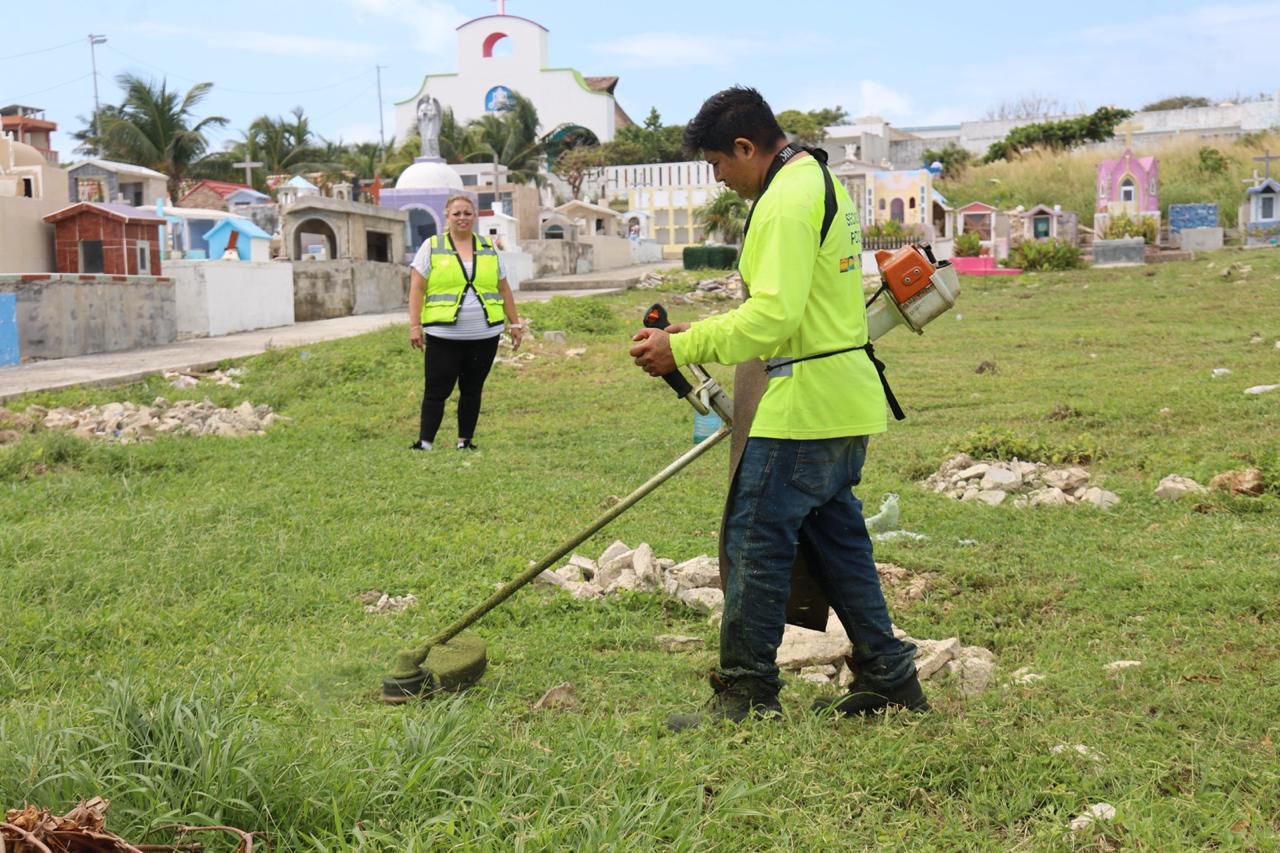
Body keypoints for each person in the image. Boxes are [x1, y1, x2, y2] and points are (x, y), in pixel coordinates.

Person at [629, 86, 927, 730]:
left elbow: (772, 318)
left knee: (755, 540)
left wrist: (684, 348)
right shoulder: (817, 180)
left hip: (803, 406)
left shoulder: (786, 200)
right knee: (835, 541)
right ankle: (889, 674)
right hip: (841, 398)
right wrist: (693, 337)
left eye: (717, 163)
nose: (718, 177)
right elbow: (801, 310)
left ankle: (745, 696)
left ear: (746, 147)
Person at [409, 194, 525, 451]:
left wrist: (515, 324)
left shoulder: (487, 247)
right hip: (443, 334)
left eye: (467, 213)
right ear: (447, 216)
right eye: (456, 213)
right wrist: (414, 326)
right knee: (437, 389)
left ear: (474, 217)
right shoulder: (432, 246)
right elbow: (416, 289)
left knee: (472, 389)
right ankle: (425, 442)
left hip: (484, 334)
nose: (462, 218)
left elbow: (503, 289)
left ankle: (465, 441)